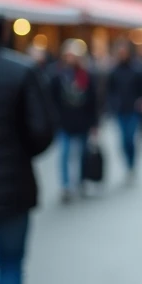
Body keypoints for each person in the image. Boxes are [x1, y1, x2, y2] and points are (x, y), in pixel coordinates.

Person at [0, 21, 58, 284]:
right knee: (10, 267)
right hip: (12, 190)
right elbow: (41, 133)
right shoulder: (20, 72)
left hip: (13, 191)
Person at [50, 39, 99, 201]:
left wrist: (95, 123)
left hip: (83, 121)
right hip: (64, 121)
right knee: (64, 154)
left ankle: (82, 181)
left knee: (83, 153)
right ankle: (65, 186)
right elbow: (52, 98)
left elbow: (93, 100)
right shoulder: (57, 74)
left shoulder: (86, 75)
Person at [104, 41, 142, 182]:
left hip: (133, 109)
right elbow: (109, 91)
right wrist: (112, 104)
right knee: (123, 140)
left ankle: (132, 164)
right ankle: (128, 165)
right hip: (120, 110)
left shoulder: (136, 69)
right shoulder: (114, 70)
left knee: (130, 138)